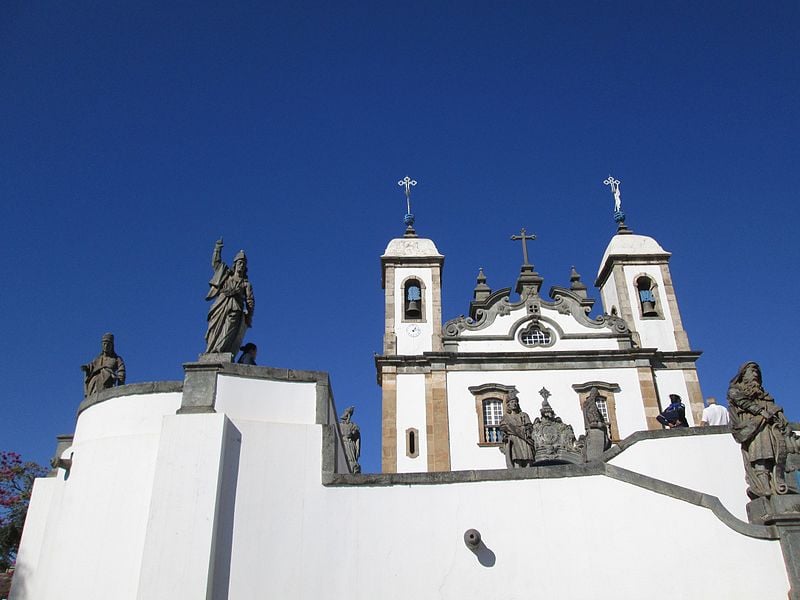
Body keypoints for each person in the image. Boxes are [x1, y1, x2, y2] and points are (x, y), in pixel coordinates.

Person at [727, 362, 798, 498]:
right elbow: (742, 402)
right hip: (753, 427)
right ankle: (763, 485)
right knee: (760, 454)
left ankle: (776, 484)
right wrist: (761, 412)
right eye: (752, 372)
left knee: (774, 454)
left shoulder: (763, 393)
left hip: (769, 427)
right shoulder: (735, 390)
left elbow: (772, 406)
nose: (755, 375)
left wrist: (777, 413)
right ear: (743, 375)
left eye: (757, 373)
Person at [205, 238, 255, 355]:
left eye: (243, 264)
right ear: (235, 264)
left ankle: (219, 350)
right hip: (220, 305)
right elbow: (216, 264)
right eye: (239, 263)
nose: (241, 265)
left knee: (228, 330)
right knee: (213, 328)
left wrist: (249, 315)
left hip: (235, 308)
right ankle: (210, 351)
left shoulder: (246, 284)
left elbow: (250, 300)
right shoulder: (226, 275)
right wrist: (217, 249)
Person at [499, 391, 535, 468]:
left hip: (525, 440)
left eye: (515, 402)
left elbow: (530, 427)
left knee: (528, 459)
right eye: (512, 402)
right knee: (517, 460)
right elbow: (503, 429)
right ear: (508, 404)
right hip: (514, 440)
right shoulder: (506, 417)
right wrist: (505, 436)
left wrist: (526, 429)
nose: (514, 404)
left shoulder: (524, 415)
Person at [339, 406, 361, 473]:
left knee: (351, 459)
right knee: (344, 458)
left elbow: (357, 437)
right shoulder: (339, 425)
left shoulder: (353, 425)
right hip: (344, 443)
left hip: (350, 443)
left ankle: (353, 469)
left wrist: (354, 432)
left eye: (348, 414)